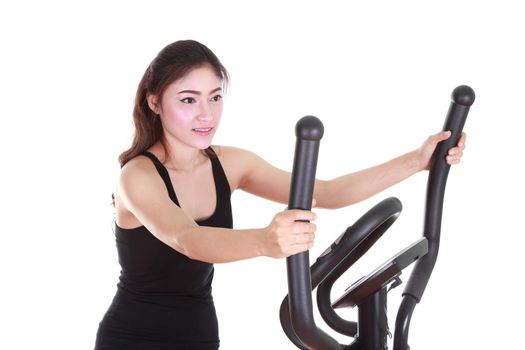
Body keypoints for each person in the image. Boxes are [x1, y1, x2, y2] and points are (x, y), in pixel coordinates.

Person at [94, 39, 466, 350]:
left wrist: (417, 161)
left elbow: (326, 191)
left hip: (199, 334)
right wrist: (264, 242)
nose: (206, 114)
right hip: (132, 337)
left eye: (215, 97)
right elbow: (188, 239)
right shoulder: (137, 176)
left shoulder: (230, 163)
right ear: (155, 102)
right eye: (188, 100)